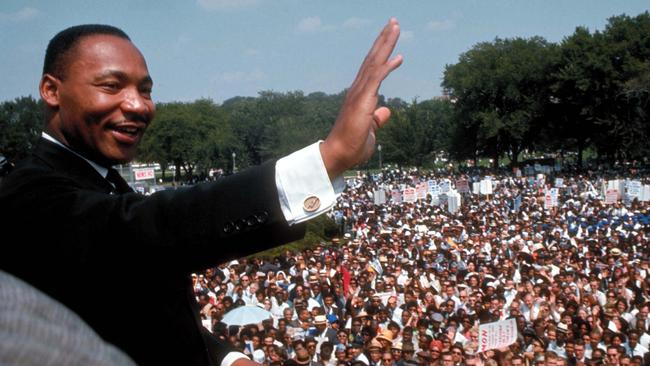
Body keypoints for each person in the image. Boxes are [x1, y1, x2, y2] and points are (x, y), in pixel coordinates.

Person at [0, 18, 402, 366]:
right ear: (52, 91)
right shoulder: (29, 195)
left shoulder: (101, 180)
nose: (138, 106)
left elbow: (134, 318)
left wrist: (225, 357)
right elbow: (150, 230)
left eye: (146, 90)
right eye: (111, 86)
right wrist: (328, 158)